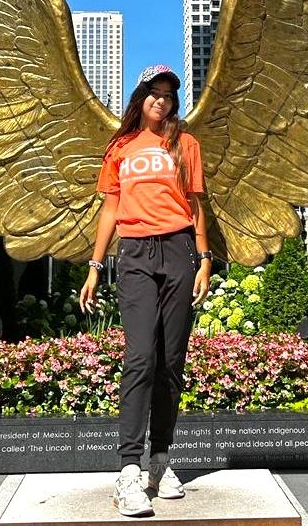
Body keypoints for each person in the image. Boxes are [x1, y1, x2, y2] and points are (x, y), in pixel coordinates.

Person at [79, 64, 212, 517]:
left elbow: (195, 203)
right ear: (141, 97)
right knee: (140, 357)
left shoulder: (185, 144)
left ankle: (161, 460)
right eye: (154, 93)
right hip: (134, 254)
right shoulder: (120, 147)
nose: (162, 101)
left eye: (169, 95)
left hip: (178, 250)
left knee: (171, 361)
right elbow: (110, 208)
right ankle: (129, 469)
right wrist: (95, 265)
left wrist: (204, 258)